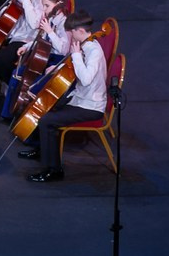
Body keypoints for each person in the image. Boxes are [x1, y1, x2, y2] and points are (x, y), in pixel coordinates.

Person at [19, 15, 109, 182]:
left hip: (90, 106)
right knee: (47, 106)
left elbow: (86, 79)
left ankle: (53, 170)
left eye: (72, 32)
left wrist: (76, 55)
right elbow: (75, 67)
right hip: (80, 98)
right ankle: (42, 150)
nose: (70, 36)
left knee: (47, 121)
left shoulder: (94, 52)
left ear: (80, 31)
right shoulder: (85, 45)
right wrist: (58, 66)